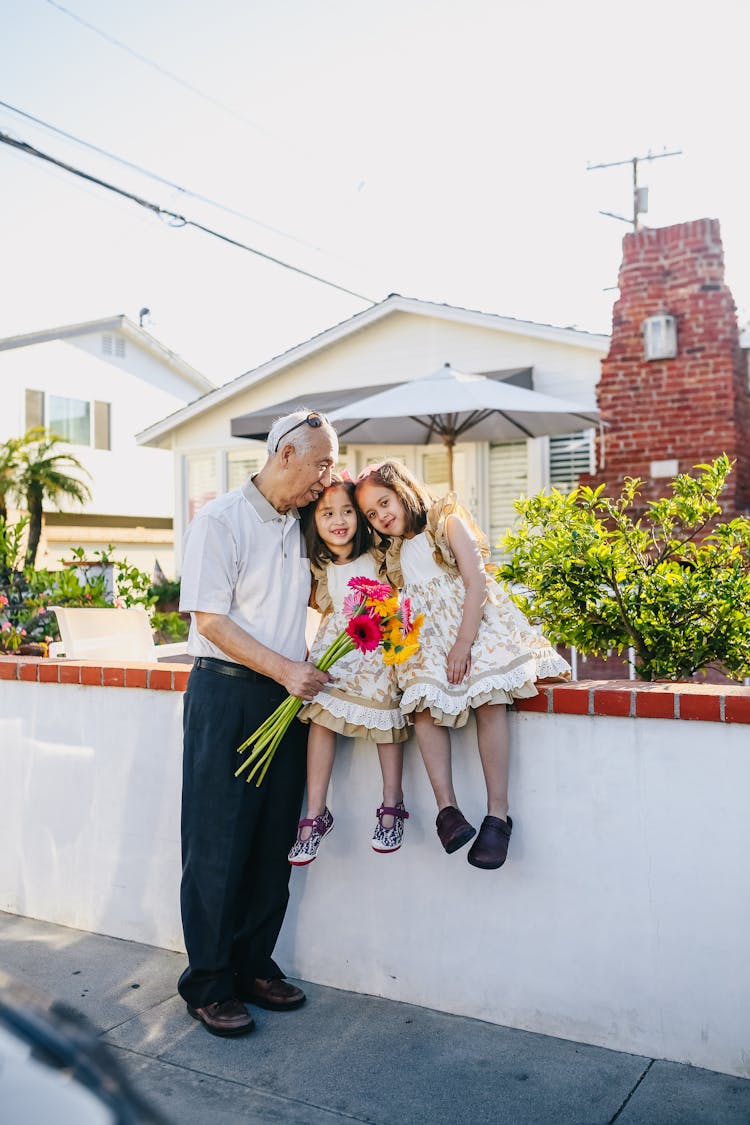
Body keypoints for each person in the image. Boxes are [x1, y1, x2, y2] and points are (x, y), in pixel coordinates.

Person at [177, 409, 338, 1037]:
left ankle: (252, 966)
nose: (328, 477)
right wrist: (285, 671)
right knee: (218, 845)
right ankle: (209, 983)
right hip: (227, 696)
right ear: (285, 454)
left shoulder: (303, 525)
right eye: (321, 462)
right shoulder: (219, 521)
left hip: (285, 701)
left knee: (272, 840)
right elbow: (210, 622)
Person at [355, 461, 570, 870]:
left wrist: (463, 644)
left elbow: (477, 582)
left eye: (385, 503)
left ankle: (498, 815)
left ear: (403, 490)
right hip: (428, 638)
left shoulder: (447, 521)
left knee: (490, 702)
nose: (382, 516)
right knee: (420, 705)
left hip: (473, 627)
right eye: (372, 514)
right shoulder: (395, 554)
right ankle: (447, 811)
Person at [289, 474, 409, 866]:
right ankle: (315, 813)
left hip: (377, 647)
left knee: (386, 717)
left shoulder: (377, 555)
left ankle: (393, 802)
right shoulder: (320, 569)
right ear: (314, 522)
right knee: (320, 718)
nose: (339, 520)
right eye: (327, 514)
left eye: (346, 512)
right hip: (336, 653)